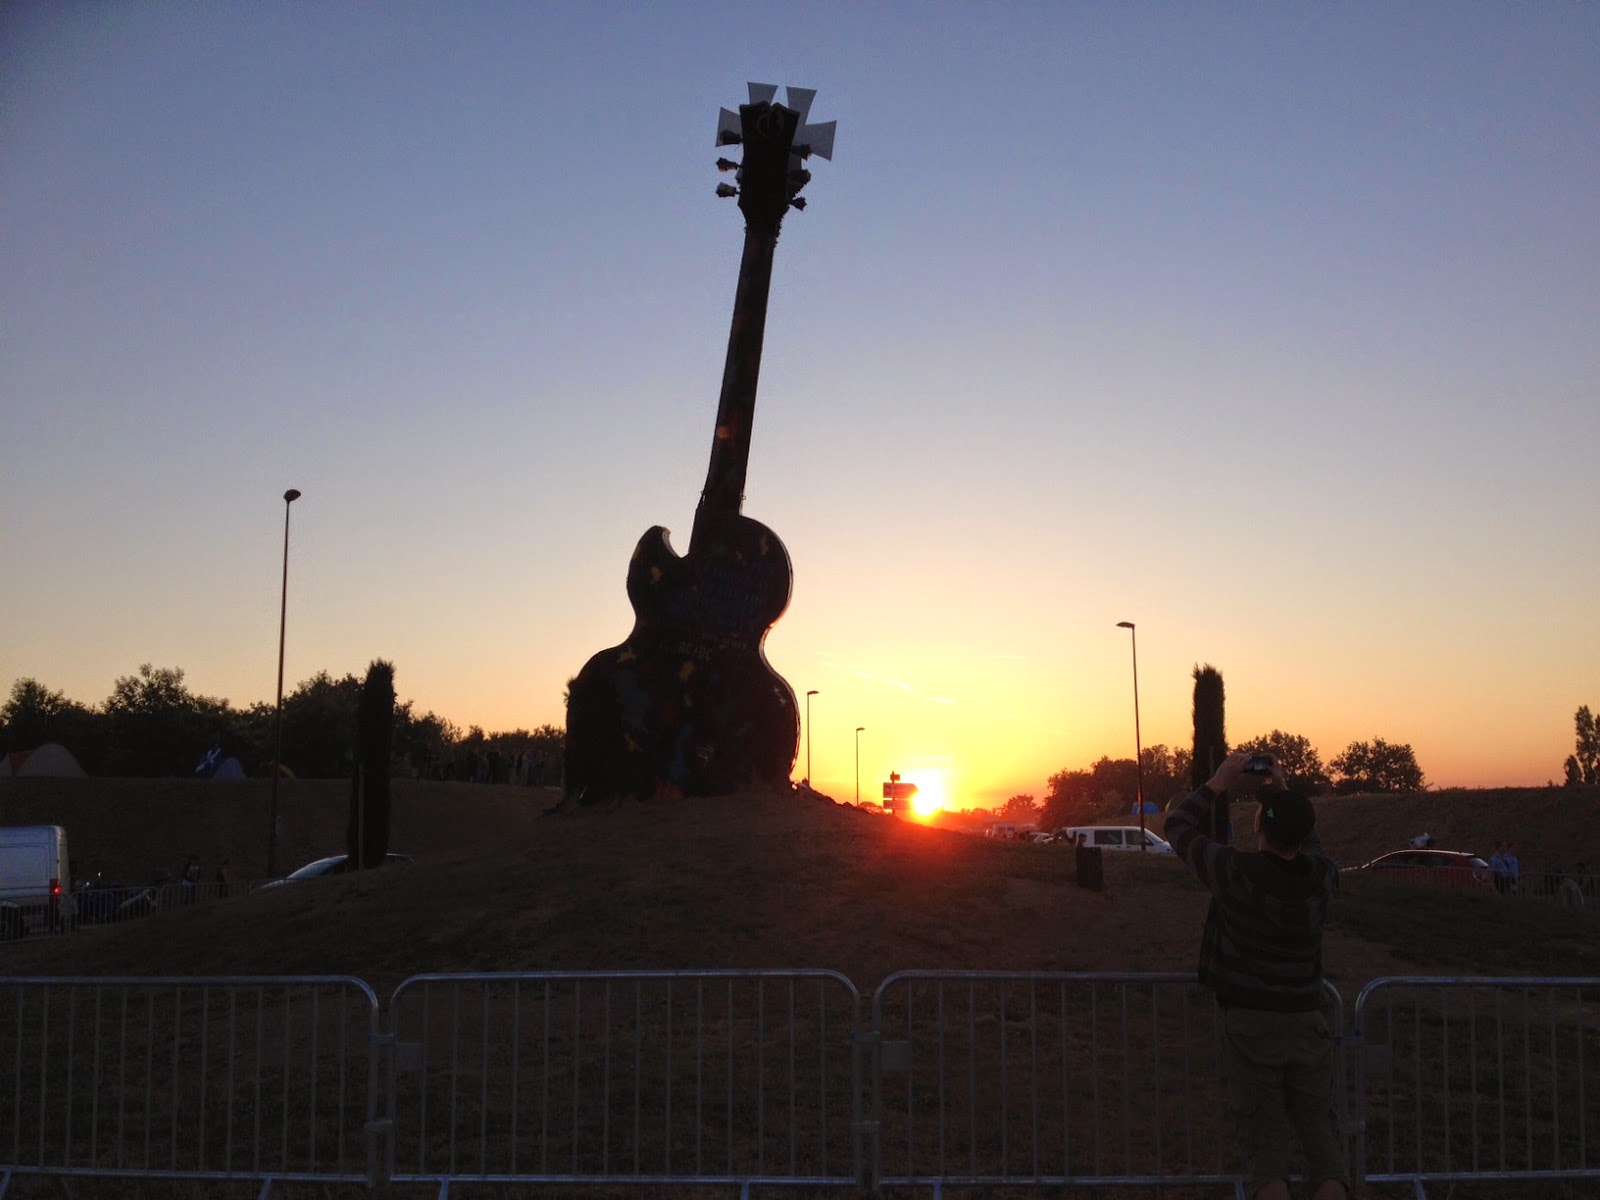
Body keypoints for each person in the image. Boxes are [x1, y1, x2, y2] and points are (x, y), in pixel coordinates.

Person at [1165, 750, 1347, 1200]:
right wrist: (1282, 791)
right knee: (1324, 1151)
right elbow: (1312, 843)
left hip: (1251, 1025)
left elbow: (1176, 828)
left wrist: (1218, 782)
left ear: (1259, 826)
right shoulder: (1323, 879)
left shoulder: (1236, 873)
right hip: (1308, 1021)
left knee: (1266, 1153)